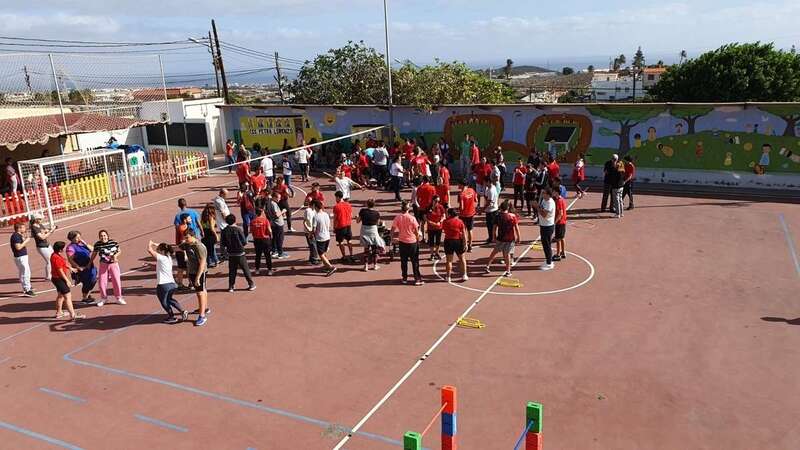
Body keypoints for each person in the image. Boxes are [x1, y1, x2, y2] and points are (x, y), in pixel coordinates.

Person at [147, 241, 188, 324]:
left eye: (158, 250)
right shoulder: (168, 258)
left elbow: (149, 250)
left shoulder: (161, 258)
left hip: (163, 285)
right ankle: (182, 311)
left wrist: (150, 244)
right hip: (172, 284)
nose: (157, 251)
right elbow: (160, 267)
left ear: (162, 251)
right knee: (170, 299)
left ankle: (171, 316)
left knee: (164, 302)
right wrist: (150, 265)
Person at [180, 230, 209, 326]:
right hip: (192, 271)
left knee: (200, 292)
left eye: (187, 237)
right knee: (201, 291)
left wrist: (198, 277)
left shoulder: (199, 247)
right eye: (185, 237)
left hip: (199, 272)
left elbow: (202, 263)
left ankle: (202, 316)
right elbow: (176, 248)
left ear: (193, 236)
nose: (185, 239)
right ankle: (204, 308)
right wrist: (161, 246)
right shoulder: (187, 244)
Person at [220, 214, 256, 291]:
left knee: (232, 270)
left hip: (230, 253)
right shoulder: (238, 229)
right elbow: (244, 241)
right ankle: (251, 284)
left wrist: (224, 252)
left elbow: (222, 243)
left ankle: (231, 286)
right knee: (245, 269)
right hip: (240, 252)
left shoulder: (224, 231)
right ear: (235, 220)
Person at [484, 201, 520, 277]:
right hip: (509, 239)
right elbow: (516, 228)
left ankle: (487, 265)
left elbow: (494, 228)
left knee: (494, 252)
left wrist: (493, 237)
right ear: (508, 208)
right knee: (507, 255)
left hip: (500, 238)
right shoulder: (512, 216)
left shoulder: (497, 216)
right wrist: (518, 237)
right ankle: (508, 271)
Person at [391, 200, 423, 285]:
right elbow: (416, 231)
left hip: (402, 242)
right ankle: (417, 279)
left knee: (403, 261)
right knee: (415, 261)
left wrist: (392, 238)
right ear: (408, 209)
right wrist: (417, 239)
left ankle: (404, 278)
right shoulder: (412, 218)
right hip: (412, 242)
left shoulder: (398, 217)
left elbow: (392, 229)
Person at [51, 241, 84, 320]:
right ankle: (73, 315)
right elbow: (60, 271)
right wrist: (67, 280)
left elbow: (63, 264)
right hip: (60, 279)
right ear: (60, 250)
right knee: (68, 296)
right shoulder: (57, 258)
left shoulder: (54, 255)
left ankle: (59, 312)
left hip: (55, 278)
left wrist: (70, 268)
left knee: (60, 295)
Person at [91, 229, 125, 307]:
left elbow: (119, 251)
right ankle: (104, 298)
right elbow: (94, 254)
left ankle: (118, 298)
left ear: (107, 236)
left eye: (104, 235)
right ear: (99, 237)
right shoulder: (97, 244)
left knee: (116, 281)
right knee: (102, 282)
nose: (103, 237)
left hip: (113, 264)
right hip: (103, 265)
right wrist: (90, 262)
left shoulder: (113, 242)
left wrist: (115, 256)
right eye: (101, 236)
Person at [66, 231, 97, 303]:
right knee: (87, 282)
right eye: (77, 237)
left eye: (79, 236)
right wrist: (78, 267)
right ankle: (85, 297)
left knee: (93, 280)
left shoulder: (82, 244)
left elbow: (93, 249)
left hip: (90, 265)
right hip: (82, 268)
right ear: (72, 239)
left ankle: (87, 294)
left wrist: (85, 243)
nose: (79, 238)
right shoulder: (70, 248)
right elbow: (70, 260)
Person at [357, 198, 385, 271]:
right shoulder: (376, 213)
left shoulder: (362, 211)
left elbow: (358, 221)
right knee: (374, 248)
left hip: (364, 230)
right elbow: (378, 223)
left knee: (366, 249)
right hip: (373, 231)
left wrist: (357, 217)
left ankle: (365, 265)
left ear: (367, 204)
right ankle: (375, 265)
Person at [312, 200, 338, 276]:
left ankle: (331, 267)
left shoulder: (316, 216)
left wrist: (311, 234)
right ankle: (326, 266)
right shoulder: (326, 214)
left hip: (320, 237)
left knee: (321, 254)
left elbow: (314, 229)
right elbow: (329, 225)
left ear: (316, 207)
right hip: (327, 236)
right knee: (324, 252)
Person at [442, 208, 468, 282]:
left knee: (449, 260)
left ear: (449, 214)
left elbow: (444, 230)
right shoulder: (460, 222)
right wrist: (465, 243)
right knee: (462, 259)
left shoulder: (445, 221)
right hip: (458, 241)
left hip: (448, 241)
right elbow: (464, 234)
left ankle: (448, 277)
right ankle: (464, 275)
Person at [10, 222, 35, 296]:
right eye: (23, 227)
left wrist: (25, 238)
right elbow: (18, 247)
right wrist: (26, 241)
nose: (25, 229)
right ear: (19, 228)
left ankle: (26, 287)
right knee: (26, 273)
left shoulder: (18, 235)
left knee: (23, 272)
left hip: (21, 256)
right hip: (21, 257)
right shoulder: (16, 236)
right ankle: (27, 289)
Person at [534, 188, 556, 271]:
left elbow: (544, 215)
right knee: (546, 244)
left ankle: (549, 263)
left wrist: (537, 207)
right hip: (544, 225)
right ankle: (548, 260)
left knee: (546, 245)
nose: (542, 194)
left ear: (548, 194)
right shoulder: (544, 200)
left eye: (544, 193)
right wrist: (537, 205)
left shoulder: (550, 203)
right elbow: (541, 208)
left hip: (548, 226)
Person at [29, 214, 55, 281]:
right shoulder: (34, 227)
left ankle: (53, 273)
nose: (41, 220)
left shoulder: (40, 225)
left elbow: (45, 230)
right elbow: (42, 237)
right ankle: (48, 276)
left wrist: (50, 229)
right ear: (36, 219)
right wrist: (50, 232)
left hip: (47, 245)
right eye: (40, 219)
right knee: (49, 261)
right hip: (41, 246)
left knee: (53, 258)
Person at [332, 191, 355, 262]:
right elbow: (351, 216)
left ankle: (344, 256)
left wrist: (334, 227)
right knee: (349, 240)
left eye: (336, 197)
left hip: (340, 226)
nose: (335, 199)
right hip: (348, 225)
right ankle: (351, 255)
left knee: (340, 242)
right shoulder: (348, 205)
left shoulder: (336, 206)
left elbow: (335, 218)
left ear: (338, 197)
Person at [250, 208, 274, 275]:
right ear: (261, 213)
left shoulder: (252, 221)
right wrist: (270, 236)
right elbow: (269, 230)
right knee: (267, 255)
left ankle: (257, 270)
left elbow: (251, 231)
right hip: (265, 239)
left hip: (257, 240)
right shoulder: (265, 220)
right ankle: (269, 270)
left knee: (258, 255)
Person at [266, 191, 288, 258]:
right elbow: (276, 215)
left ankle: (273, 251)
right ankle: (280, 253)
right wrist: (283, 211)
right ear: (274, 197)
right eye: (278, 198)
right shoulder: (274, 204)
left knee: (275, 238)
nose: (279, 199)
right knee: (280, 238)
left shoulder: (269, 202)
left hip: (273, 223)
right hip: (278, 223)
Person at [457, 180, 477, 252]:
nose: (458, 185)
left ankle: (464, 245)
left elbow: (461, 207)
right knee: (470, 230)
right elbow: (476, 200)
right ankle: (470, 245)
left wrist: (458, 210)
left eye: (459, 184)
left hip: (463, 215)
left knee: (463, 230)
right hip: (471, 213)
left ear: (462, 185)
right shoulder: (472, 190)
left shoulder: (461, 194)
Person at [425, 195, 446, 261]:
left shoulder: (440, 207)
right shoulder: (428, 207)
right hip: (431, 227)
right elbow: (425, 217)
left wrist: (440, 221)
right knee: (431, 241)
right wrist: (430, 222)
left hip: (439, 227)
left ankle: (437, 252)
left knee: (438, 241)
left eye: (438, 201)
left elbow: (444, 215)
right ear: (432, 200)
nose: (437, 202)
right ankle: (432, 254)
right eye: (436, 201)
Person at [200, 203, 220, 268]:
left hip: (205, 233)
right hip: (210, 234)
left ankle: (208, 262)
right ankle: (216, 261)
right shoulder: (211, 217)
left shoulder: (203, 215)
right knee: (212, 248)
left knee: (206, 249)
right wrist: (216, 235)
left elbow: (201, 224)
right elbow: (211, 228)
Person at [302, 199, 321, 264]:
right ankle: (314, 259)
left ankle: (312, 258)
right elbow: (307, 222)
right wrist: (310, 231)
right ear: (313, 205)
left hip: (312, 230)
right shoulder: (308, 211)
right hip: (309, 231)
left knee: (313, 245)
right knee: (313, 245)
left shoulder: (313, 210)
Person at [553, 188, 568, 262]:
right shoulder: (562, 199)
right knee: (562, 237)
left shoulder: (558, 201)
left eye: (553, 191)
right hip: (563, 222)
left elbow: (560, 213)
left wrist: (554, 222)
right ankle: (563, 252)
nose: (552, 192)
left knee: (558, 238)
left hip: (560, 222)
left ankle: (558, 254)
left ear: (556, 192)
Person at [484, 176, 500, 244]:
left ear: (488, 182)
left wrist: (483, 209)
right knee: (491, 225)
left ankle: (492, 238)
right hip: (491, 209)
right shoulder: (490, 188)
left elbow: (489, 202)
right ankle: (493, 237)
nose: (483, 183)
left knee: (491, 225)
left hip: (491, 211)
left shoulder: (491, 190)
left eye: (484, 182)